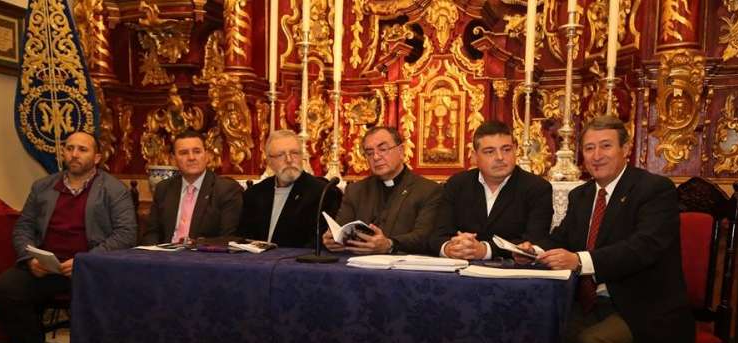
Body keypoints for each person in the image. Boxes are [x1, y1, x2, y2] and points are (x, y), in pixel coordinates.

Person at [518, 115, 694, 343]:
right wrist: (533, 249)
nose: (596, 155)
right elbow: (560, 239)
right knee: (544, 334)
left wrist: (580, 261)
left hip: (643, 307)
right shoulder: (582, 195)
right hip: (591, 302)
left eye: (605, 146)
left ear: (626, 148)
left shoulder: (654, 189)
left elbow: (644, 247)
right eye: (589, 148)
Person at [0, 131, 137, 343]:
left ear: (97, 157)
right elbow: (23, 227)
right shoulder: (42, 187)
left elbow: (126, 234)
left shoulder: (114, 190)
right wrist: (29, 258)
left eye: (82, 149)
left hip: (89, 270)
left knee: (89, 296)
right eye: (69, 148)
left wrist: (86, 261)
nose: (74, 154)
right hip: (46, 268)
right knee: (3, 290)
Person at [429, 121, 553, 259]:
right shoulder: (457, 184)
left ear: (515, 149)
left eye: (506, 149)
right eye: (490, 151)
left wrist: (485, 250)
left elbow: (536, 241)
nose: (500, 157)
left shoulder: (537, 188)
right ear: (474, 156)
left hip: (508, 269)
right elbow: (437, 235)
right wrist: (450, 248)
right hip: (460, 267)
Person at [323, 126, 441, 254]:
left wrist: (389, 244)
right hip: (358, 262)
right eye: (369, 153)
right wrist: (332, 239)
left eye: (383, 149)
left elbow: (424, 237)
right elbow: (340, 229)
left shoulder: (428, 190)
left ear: (401, 151)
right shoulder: (355, 190)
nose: (376, 157)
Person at [237, 130, 341, 247]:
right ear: (269, 161)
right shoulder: (254, 193)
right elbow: (242, 238)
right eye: (281, 155)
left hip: (297, 258)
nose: (289, 160)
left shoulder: (322, 193)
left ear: (302, 157)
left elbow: (320, 243)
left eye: (294, 153)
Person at [141, 129, 243, 245]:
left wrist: (192, 246)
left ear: (207, 156)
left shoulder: (226, 190)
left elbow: (228, 238)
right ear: (173, 159)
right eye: (184, 153)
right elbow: (152, 233)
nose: (191, 157)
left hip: (203, 254)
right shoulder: (163, 188)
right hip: (165, 253)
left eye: (197, 152)